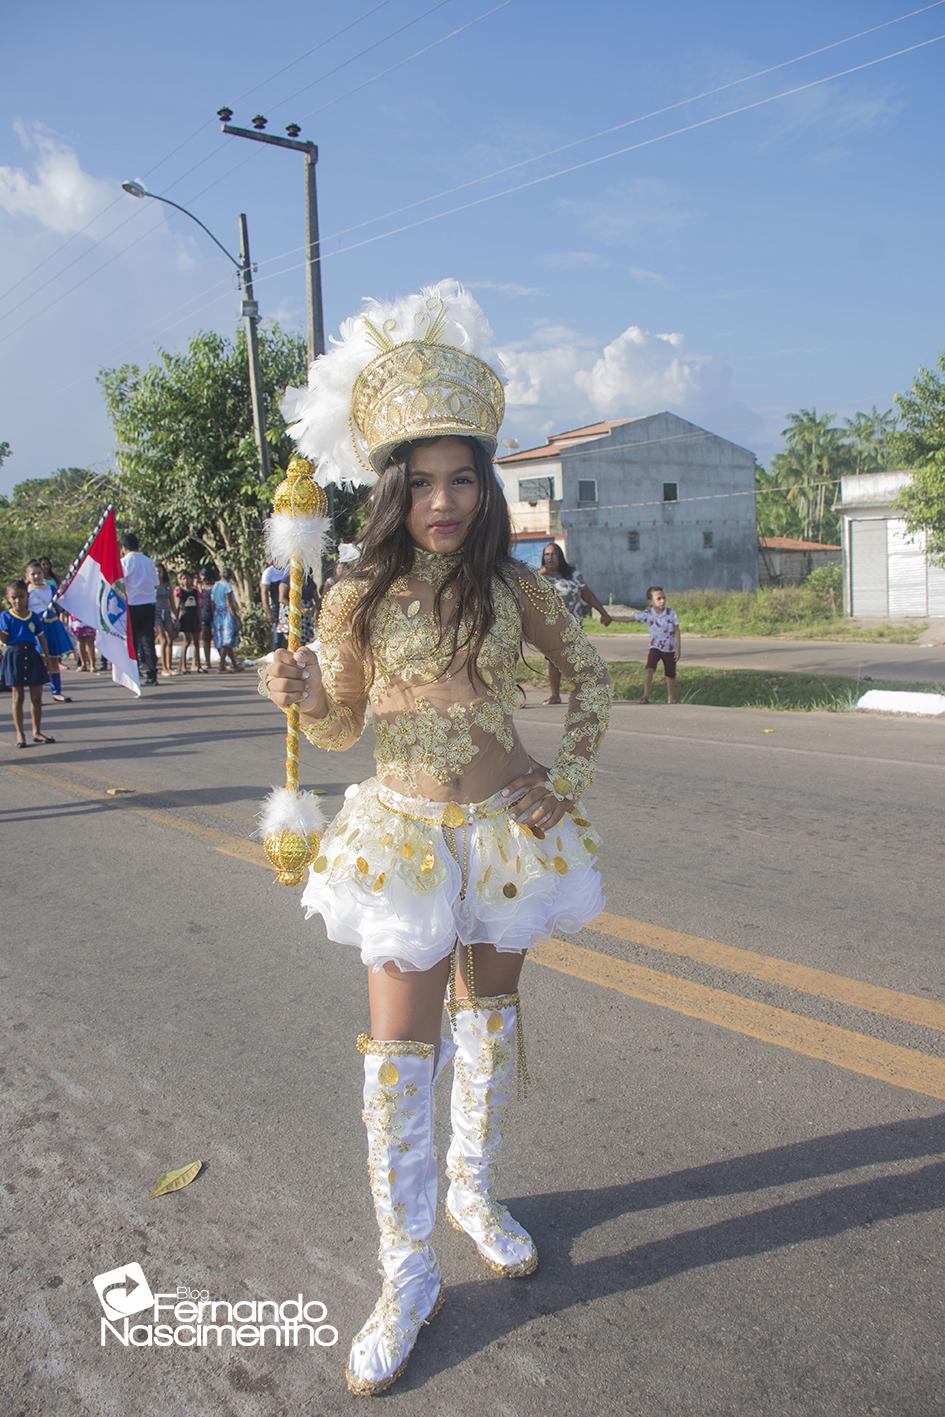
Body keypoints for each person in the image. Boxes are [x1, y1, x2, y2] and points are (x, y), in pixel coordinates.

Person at [262, 280, 612, 1395]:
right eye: (423, 484)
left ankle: (472, 1187)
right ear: (392, 493)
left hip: (505, 836)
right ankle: (406, 1267)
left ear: (487, 486)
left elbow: (589, 676)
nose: (446, 502)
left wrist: (566, 777)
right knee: (398, 1055)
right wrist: (297, 689)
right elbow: (338, 724)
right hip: (401, 839)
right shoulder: (356, 596)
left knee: (492, 1023)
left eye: (464, 480)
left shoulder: (515, 584)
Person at [538, 542, 612, 704]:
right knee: (553, 659)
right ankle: (555, 695)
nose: (550, 558)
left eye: (554, 554)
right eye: (547, 555)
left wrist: (603, 613)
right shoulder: (539, 576)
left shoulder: (572, 574)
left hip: (573, 624)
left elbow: (587, 595)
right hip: (551, 625)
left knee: (577, 658)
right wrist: (539, 574)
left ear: (560, 556)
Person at [1, 579, 54, 746]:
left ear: (27, 597)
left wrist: (47, 658)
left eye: (21, 597)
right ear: (8, 598)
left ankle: (37, 731)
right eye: (14, 597)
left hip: (32, 655)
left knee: (37, 697)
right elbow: (5, 637)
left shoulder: (34, 617)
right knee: (18, 697)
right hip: (14, 655)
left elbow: (41, 638)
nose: (18, 601)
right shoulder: (5, 616)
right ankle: (19, 734)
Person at [24, 560, 73, 702]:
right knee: (39, 661)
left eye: (39, 573)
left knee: (52, 660)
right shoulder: (27, 592)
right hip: (37, 628)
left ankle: (56, 691)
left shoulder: (51, 589)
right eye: (33, 574)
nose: (36, 576)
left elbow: (58, 607)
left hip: (52, 625)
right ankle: (37, 694)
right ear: (27, 576)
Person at [628, 584, 682, 704]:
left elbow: (677, 629)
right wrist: (610, 617)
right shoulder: (648, 614)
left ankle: (671, 697)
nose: (662, 601)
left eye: (664, 597)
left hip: (670, 648)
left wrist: (678, 648)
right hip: (655, 647)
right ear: (650, 601)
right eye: (658, 598)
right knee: (649, 669)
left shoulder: (671, 612)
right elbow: (631, 618)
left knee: (670, 674)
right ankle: (646, 695)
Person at [120, 533, 159, 686]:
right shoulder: (149, 561)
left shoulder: (125, 562)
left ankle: (134, 672)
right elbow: (155, 582)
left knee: (132, 640)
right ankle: (152, 674)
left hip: (133, 605)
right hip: (149, 604)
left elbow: (120, 583)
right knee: (148, 640)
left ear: (124, 548)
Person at [211, 568, 241, 673]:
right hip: (226, 615)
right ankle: (221, 665)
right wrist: (236, 618)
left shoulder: (215, 586)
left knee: (224, 640)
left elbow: (212, 603)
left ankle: (234, 665)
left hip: (218, 615)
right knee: (226, 641)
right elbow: (229, 604)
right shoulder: (227, 586)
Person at [174, 571, 201, 673]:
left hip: (194, 616)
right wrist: (177, 619)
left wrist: (199, 618)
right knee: (187, 641)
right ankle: (183, 666)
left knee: (196, 642)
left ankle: (197, 664)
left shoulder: (194, 591)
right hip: (185, 616)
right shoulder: (179, 591)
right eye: (184, 578)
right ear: (180, 580)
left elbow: (198, 605)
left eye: (188, 578)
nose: (186, 580)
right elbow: (177, 606)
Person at [260, 562, 289, 652]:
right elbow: (264, 592)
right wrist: (267, 610)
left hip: (289, 606)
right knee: (278, 636)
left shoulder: (289, 569)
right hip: (277, 607)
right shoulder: (269, 572)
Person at [154, 564, 176, 676]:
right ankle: (164, 668)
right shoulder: (152, 586)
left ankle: (170, 666)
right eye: (156, 571)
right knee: (162, 638)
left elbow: (172, 602)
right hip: (156, 613)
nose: (158, 574)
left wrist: (176, 616)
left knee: (170, 638)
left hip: (166, 612)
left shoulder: (167, 586)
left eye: (160, 571)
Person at [198, 566, 215, 673]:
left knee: (216, 637)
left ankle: (223, 658)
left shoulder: (213, 587)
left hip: (212, 612)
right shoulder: (200, 587)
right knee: (205, 638)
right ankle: (207, 660)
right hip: (203, 614)